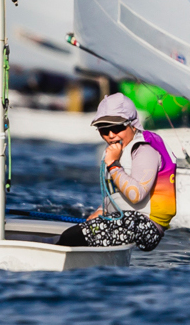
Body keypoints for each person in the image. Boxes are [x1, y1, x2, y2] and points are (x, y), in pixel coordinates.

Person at [56, 93, 176, 250]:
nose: (111, 135)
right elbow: (115, 193)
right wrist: (100, 211)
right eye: (104, 130)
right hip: (126, 220)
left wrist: (113, 164)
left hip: (146, 227)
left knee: (70, 237)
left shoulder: (144, 150)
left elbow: (136, 195)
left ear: (133, 125)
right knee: (68, 234)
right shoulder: (118, 152)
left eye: (117, 128)